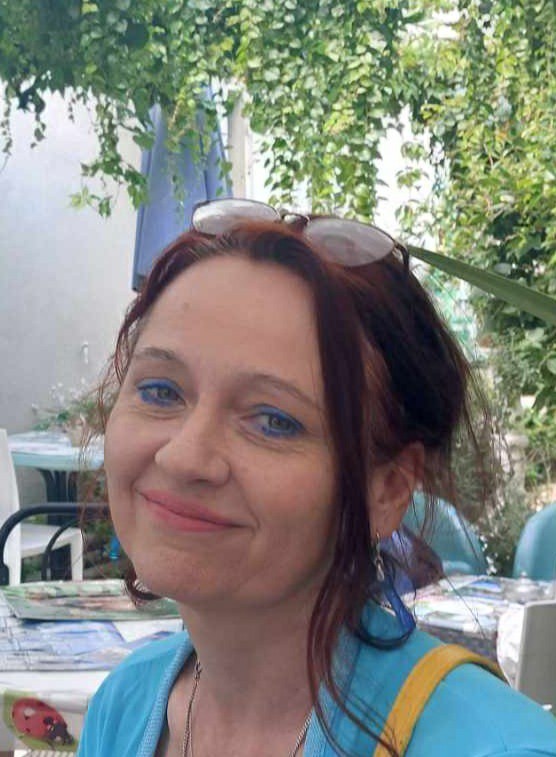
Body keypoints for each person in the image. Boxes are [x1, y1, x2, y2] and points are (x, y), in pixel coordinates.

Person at [78, 199, 556, 757]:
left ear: (388, 488)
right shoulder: (125, 705)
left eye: (273, 421)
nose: (184, 457)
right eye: (160, 391)